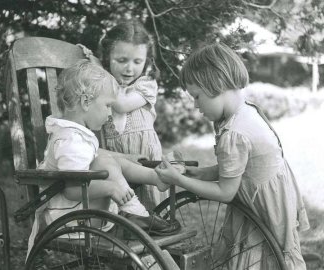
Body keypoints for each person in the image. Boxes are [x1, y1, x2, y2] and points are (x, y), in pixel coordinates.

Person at [155, 43, 310, 270]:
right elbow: (234, 169)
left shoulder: (234, 133)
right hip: (269, 202)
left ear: (215, 84)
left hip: (264, 208)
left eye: (197, 97)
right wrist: (192, 172)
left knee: (264, 260)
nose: (195, 105)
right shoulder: (247, 111)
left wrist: (179, 181)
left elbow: (226, 192)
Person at [27, 59, 180, 257]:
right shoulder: (70, 140)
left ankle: (155, 179)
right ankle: (136, 211)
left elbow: (97, 154)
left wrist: (126, 157)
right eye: (108, 106)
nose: (110, 113)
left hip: (81, 215)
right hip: (72, 221)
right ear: (85, 102)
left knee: (104, 157)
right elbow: (73, 189)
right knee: (103, 160)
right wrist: (111, 187)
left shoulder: (75, 134)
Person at [79, 20, 166, 211]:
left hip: (144, 154)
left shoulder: (146, 85)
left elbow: (122, 105)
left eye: (137, 62)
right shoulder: (103, 85)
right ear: (107, 57)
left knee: (150, 205)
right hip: (115, 155)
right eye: (121, 60)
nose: (129, 68)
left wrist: (99, 70)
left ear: (147, 61)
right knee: (120, 203)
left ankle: (152, 226)